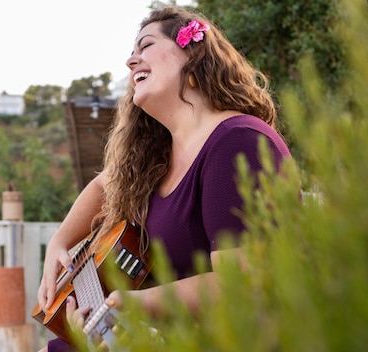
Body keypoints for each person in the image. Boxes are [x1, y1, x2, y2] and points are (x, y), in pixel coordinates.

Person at [38, 6, 292, 351]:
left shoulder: (238, 142)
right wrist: (59, 242)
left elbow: (244, 285)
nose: (131, 62)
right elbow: (104, 184)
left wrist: (130, 304)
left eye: (145, 46)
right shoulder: (157, 157)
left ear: (193, 53)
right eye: (131, 54)